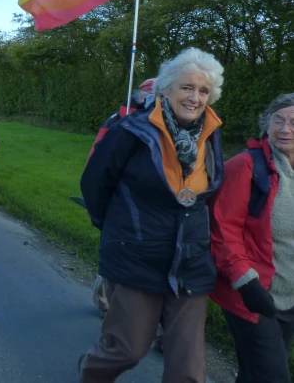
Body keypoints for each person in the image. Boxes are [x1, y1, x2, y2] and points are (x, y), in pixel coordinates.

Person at [78, 47, 225, 383]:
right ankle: (90, 374)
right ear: (167, 89)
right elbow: (95, 184)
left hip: (191, 262)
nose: (195, 98)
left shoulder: (212, 134)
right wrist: (117, 231)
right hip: (137, 257)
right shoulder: (131, 131)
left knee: (188, 369)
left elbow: (209, 193)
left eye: (203, 91)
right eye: (187, 87)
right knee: (125, 349)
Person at [210, 93, 294, 382]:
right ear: (266, 125)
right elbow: (223, 229)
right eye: (278, 121)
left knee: (255, 374)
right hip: (252, 294)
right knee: (272, 377)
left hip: (289, 296)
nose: (285, 129)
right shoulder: (246, 166)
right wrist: (246, 282)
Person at [90, 78, 156, 319]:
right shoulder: (118, 121)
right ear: (140, 97)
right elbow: (96, 159)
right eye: (149, 96)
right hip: (118, 199)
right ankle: (104, 300)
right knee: (114, 253)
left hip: (148, 208)